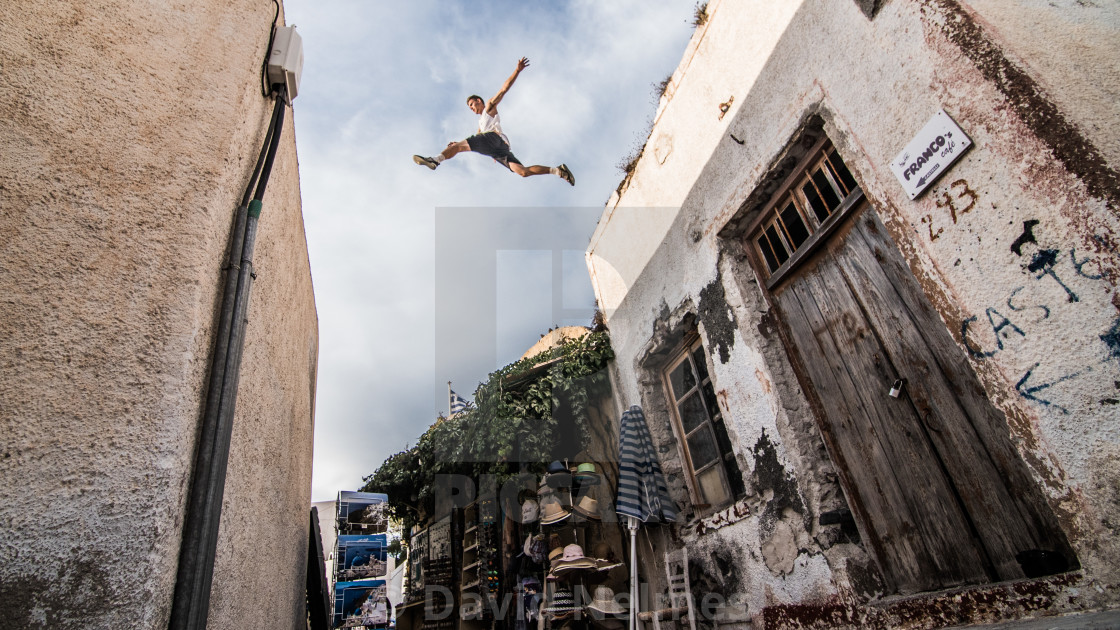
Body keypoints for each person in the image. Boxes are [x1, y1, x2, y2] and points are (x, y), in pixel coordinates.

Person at [413, 57, 575, 186]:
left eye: (471, 105)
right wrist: (456, 145)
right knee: (523, 172)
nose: (471, 108)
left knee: (459, 147)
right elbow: (472, 140)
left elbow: (504, 89)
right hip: (500, 150)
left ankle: (434, 160)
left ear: (478, 100)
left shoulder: (489, 107)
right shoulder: (481, 125)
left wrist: (517, 71)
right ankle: (558, 171)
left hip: (493, 140)